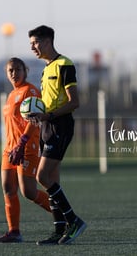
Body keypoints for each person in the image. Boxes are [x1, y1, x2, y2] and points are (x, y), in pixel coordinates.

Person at [27, 25, 87, 245]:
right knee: (52, 179)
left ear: (47, 41)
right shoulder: (45, 69)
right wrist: (36, 112)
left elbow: (75, 102)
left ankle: (74, 221)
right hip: (47, 125)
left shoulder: (65, 64)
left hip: (60, 125)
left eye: (35, 42)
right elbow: (49, 101)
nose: (32, 47)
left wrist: (48, 115)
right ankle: (59, 229)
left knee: (41, 177)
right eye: (31, 43)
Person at [0, 57, 51, 243]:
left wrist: (22, 142)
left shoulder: (30, 91)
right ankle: (14, 231)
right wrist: (13, 145)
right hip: (10, 148)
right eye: (10, 70)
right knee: (8, 187)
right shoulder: (11, 95)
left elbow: (34, 121)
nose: (14, 73)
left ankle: (65, 215)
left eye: (17, 69)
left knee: (29, 192)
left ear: (25, 71)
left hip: (26, 147)